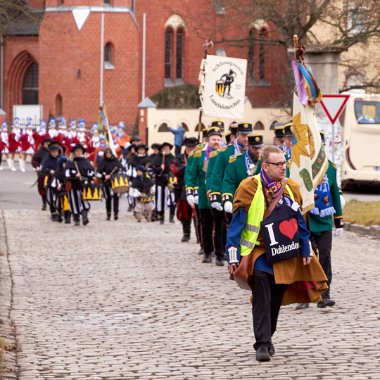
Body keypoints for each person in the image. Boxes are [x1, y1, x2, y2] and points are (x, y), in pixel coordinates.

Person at [226, 145, 328, 362]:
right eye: (278, 164)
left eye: (284, 163)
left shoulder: (290, 187)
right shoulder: (249, 187)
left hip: (285, 251)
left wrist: (306, 246)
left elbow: (299, 221)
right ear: (265, 166)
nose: (283, 167)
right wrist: (233, 255)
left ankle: (268, 336)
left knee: (276, 295)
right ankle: (261, 343)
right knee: (262, 291)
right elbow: (237, 224)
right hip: (259, 251)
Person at [296, 132, 343, 310]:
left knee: (325, 256)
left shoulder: (329, 167)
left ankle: (325, 293)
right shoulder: (301, 166)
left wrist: (338, 220)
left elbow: (334, 195)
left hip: (323, 221)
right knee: (307, 258)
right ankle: (305, 295)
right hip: (306, 220)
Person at [186, 127, 224, 265]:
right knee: (206, 224)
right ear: (207, 141)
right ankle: (207, 252)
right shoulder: (199, 154)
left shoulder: (223, 154)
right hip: (203, 194)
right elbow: (191, 173)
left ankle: (220, 254)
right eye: (213, 139)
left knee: (220, 225)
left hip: (218, 194)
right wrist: (191, 191)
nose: (216, 142)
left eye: (218, 139)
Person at [209, 122, 253, 211]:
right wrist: (216, 193)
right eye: (244, 136)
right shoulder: (225, 152)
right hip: (230, 197)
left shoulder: (256, 152)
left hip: (251, 198)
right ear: (237, 135)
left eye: (249, 135)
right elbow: (217, 175)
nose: (246, 139)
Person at [222, 134, 264, 214]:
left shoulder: (265, 161)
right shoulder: (235, 161)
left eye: (260, 148)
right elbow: (228, 181)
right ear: (248, 146)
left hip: (259, 205)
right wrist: (228, 199)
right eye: (255, 148)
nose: (258, 151)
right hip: (240, 204)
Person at [171, 137, 198, 242]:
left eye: (193, 147)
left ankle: (199, 235)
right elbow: (175, 170)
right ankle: (186, 233)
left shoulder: (200, 157)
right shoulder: (180, 158)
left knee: (197, 213)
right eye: (189, 147)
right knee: (185, 213)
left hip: (197, 188)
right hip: (183, 188)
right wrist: (186, 167)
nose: (191, 149)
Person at [65, 144, 95, 226]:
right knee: (74, 202)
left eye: (80, 151)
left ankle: (84, 216)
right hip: (74, 184)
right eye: (77, 151)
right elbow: (67, 173)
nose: (78, 152)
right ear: (74, 152)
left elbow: (91, 172)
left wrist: (90, 176)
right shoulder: (70, 162)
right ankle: (76, 218)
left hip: (84, 184)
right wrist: (74, 175)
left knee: (84, 201)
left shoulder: (86, 161)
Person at [150, 142, 175, 224]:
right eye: (164, 148)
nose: (166, 150)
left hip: (171, 181)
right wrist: (159, 168)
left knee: (172, 198)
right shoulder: (158, 158)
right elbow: (152, 169)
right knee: (160, 200)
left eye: (167, 148)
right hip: (160, 181)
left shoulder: (173, 158)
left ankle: (171, 216)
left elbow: (176, 169)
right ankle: (161, 216)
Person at [96, 147, 124, 221]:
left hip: (115, 182)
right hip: (106, 182)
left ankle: (116, 214)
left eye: (109, 153)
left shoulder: (116, 161)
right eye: (107, 153)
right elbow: (98, 173)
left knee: (116, 198)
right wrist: (104, 176)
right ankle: (108, 214)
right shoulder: (103, 161)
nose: (108, 154)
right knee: (108, 198)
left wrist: (117, 173)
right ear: (105, 154)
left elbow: (122, 169)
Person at [41, 142, 62, 221]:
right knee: (52, 197)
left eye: (56, 151)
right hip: (51, 180)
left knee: (60, 197)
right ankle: (53, 212)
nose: (55, 153)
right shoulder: (47, 159)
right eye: (53, 151)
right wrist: (49, 171)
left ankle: (60, 210)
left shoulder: (61, 158)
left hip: (60, 180)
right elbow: (43, 169)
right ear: (50, 152)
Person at [31, 137, 51, 210]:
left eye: (49, 143)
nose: (48, 144)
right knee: (42, 188)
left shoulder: (53, 151)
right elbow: (34, 161)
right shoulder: (39, 152)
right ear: (43, 144)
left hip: (52, 173)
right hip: (42, 173)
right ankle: (44, 203)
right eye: (46, 143)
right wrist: (37, 167)